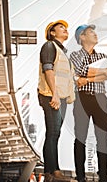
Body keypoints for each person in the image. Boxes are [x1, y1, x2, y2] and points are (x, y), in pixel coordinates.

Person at [70, 24, 107, 182]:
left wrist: (86, 78)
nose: (95, 34)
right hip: (82, 98)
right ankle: (80, 176)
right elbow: (80, 69)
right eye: (91, 32)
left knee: (103, 137)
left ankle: (103, 176)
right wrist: (100, 72)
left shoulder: (103, 56)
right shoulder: (74, 55)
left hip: (100, 98)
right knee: (80, 138)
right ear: (82, 37)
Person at [38, 20, 75, 182]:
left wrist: (67, 96)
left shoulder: (64, 52)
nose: (65, 30)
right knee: (52, 133)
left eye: (66, 28)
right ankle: (54, 172)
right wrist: (54, 94)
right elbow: (48, 69)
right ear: (52, 33)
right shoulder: (49, 46)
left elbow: (66, 76)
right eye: (61, 28)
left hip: (61, 97)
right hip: (51, 95)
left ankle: (50, 173)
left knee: (55, 134)